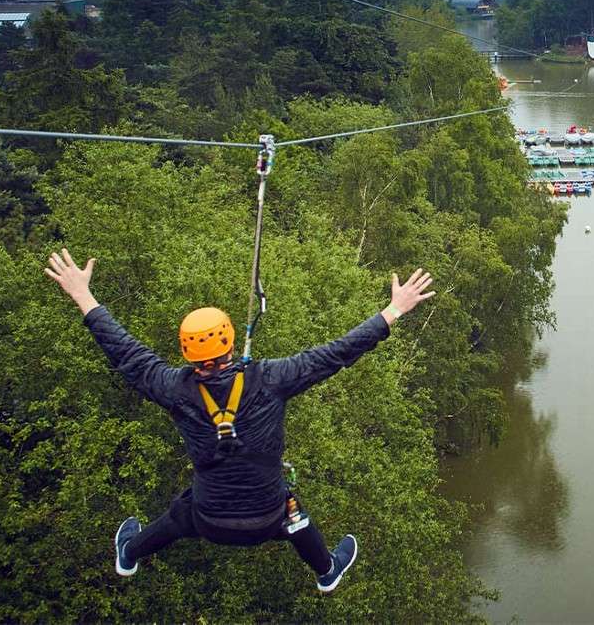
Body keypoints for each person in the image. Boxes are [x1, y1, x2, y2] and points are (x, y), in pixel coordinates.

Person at [44, 248, 435, 592]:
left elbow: (124, 352)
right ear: (230, 342)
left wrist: (81, 293)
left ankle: (129, 554)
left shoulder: (172, 388)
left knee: (181, 514)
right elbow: (337, 353)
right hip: (268, 519)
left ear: (186, 352)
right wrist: (394, 309)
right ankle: (326, 571)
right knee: (294, 515)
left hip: (208, 520)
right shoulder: (271, 379)